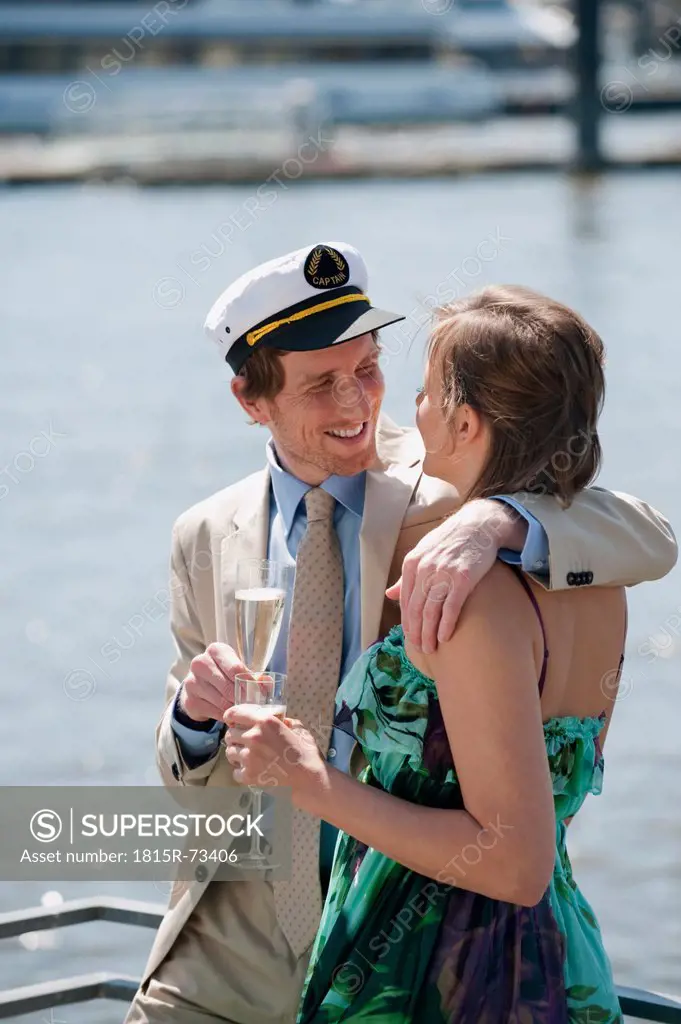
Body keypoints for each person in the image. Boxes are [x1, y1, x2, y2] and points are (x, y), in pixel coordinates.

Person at [126, 245, 676, 1024]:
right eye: (322, 383)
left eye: (371, 367)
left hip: (402, 947)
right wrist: (193, 720)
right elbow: (185, 779)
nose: (358, 400)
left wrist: (497, 519)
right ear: (251, 399)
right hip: (225, 957)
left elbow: (646, 534)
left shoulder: (456, 472)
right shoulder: (202, 533)